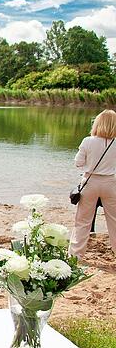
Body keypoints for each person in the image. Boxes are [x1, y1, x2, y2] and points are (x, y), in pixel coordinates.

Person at [69, 109, 116, 260]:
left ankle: (76, 255)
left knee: (82, 221)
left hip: (90, 182)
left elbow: (78, 163)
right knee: (114, 220)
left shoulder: (88, 141)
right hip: (110, 183)